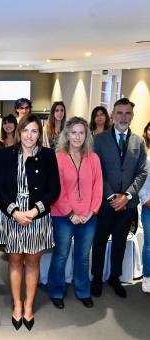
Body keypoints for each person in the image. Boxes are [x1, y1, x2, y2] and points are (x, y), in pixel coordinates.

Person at [0, 115, 60, 331]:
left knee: (32, 263)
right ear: (18, 132)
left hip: (37, 216)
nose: (29, 135)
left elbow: (54, 189)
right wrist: (14, 212)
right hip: (12, 215)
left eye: (34, 131)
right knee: (15, 261)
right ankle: (16, 305)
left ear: (39, 134)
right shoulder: (6, 154)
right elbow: (0, 187)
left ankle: (28, 306)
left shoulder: (48, 156)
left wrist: (34, 211)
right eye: (25, 131)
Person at [91, 98, 148, 298]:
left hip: (128, 205)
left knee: (120, 243)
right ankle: (96, 277)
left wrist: (127, 196)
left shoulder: (139, 142)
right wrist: (112, 196)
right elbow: (97, 172)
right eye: (120, 113)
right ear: (113, 115)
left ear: (132, 116)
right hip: (105, 203)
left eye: (127, 113)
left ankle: (115, 276)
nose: (123, 117)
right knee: (99, 242)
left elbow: (142, 172)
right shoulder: (99, 140)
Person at [47, 117, 103, 309]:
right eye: (74, 132)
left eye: (81, 132)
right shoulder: (58, 158)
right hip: (63, 216)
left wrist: (91, 211)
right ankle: (56, 290)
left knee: (83, 255)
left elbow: (98, 187)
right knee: (61, 254)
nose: (78, 137)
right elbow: (57, 189)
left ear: (86, 135)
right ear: (67, 134)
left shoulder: (93, 158)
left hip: (88, 216)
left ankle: (83, 291)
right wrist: (70, 213)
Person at [139, 121, 150, 293]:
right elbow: (143, 185)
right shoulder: (146, 156)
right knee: (149, 245)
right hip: (149, 207)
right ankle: (147, 277)